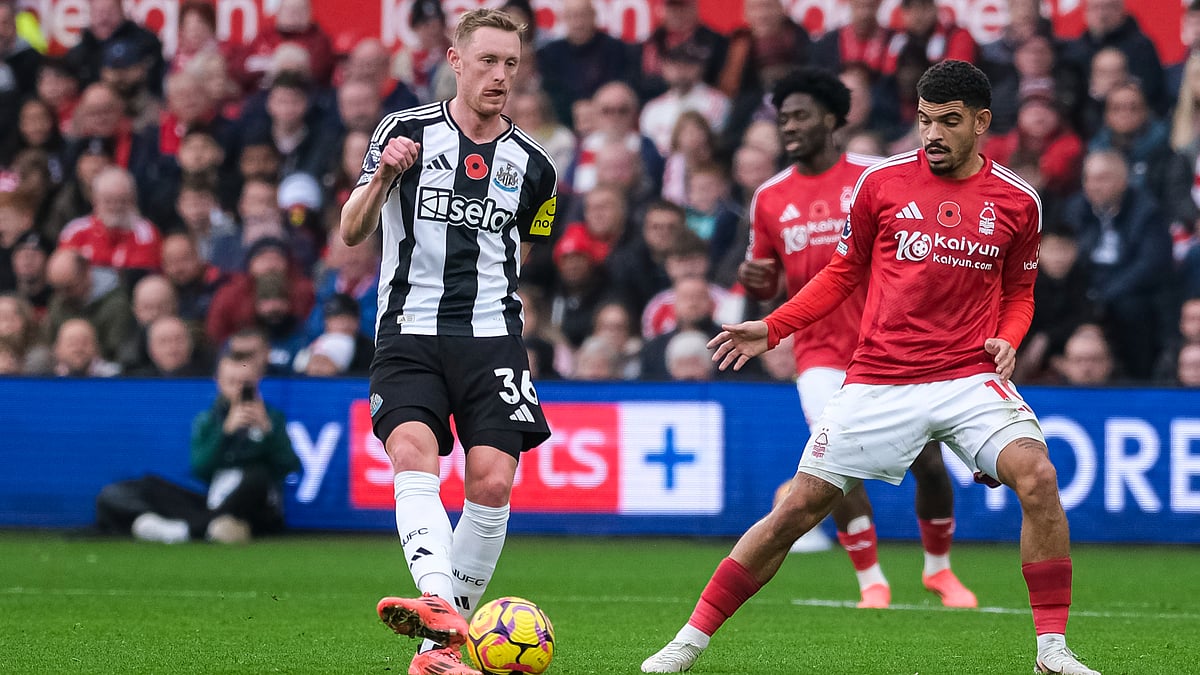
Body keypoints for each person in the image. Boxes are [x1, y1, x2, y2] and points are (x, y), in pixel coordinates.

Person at [642, 61, 1100, 675]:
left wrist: (1009, 338)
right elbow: (842, 273)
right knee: (795, 512)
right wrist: (773, 325)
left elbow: (1019, 292)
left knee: (1038, 478)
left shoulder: (1018, 201)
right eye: (924, 119)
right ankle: (687, 642)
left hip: (969, 377)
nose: (931, 133)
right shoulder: (881, 184)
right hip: (881, 379)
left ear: (982, 123)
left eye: (948, 122)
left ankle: (1052, 651)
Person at [338, 10, 558, 675]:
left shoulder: (536, 168)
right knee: (412, 448)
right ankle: (436, 600)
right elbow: (351, 231)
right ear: (456, 60)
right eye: (487, 61)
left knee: (492, 480)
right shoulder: (402, 131)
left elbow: (528, 254)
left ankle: (437, 653)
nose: (500, 76)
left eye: (511, 64)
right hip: (408, 328)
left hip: (492, 339)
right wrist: (382, 177)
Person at [737, 68, 975, 608]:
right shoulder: (769, 197)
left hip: (896, 343)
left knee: (930, 464)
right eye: (783, 119)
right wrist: (755, 281)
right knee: (835, 464)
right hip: (819, 353)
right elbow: (766, 277)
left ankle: (938, 569)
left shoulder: (876, 176)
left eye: (799, 115)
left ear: (831, 118)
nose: (789, 126)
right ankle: (871, 581)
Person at [95, 352, 300, 543]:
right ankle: (205, 527)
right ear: (218, 382)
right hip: (216, 501)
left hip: (256, 505)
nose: (239, 389)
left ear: (257, 382)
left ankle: (191, 529)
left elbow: (289, 467)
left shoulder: (272, 417)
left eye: (245, 383)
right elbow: (200, 468)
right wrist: (225, 433)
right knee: (142, 487)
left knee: (257, 476)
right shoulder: (208, 420)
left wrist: (268, 432)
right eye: (232, 382)